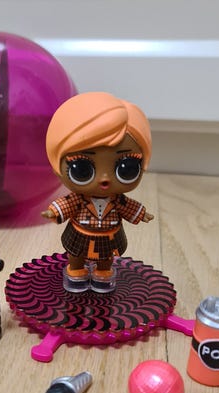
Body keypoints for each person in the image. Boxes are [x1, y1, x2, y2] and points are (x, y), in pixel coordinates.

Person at [42, 92, 154, 293]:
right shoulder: (79, 199)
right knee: (75, 254)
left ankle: (103, 271)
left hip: (108, 236)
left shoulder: (117, 201)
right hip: (79, 232)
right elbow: (67, 204)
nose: (104, 178)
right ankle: (76, 270)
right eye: (82, 169)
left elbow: (128, 207)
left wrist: (141, 214)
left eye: (126, 168)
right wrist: (54, 212)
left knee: (106, 257)